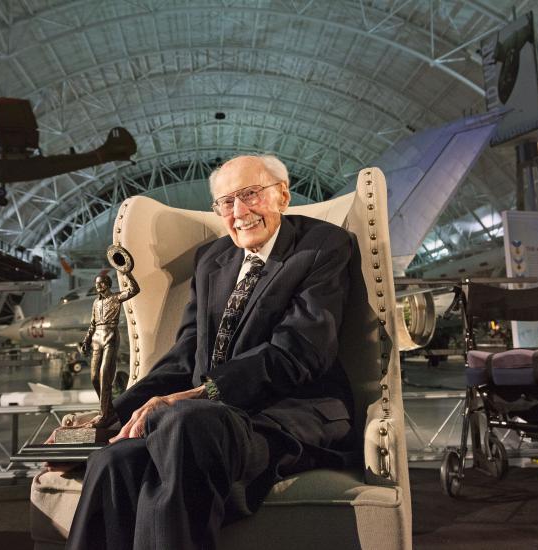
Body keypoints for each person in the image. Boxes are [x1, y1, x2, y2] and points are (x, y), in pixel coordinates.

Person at [67, 154, 355, 550]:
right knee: (110, 462)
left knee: (185, 422)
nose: (238, 212)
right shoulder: (212, 259)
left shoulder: (322, 246)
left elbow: (300, 352)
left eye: (250, 195)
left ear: (282, 196)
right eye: (225, 202)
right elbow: (184, 357)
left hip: (288, 414)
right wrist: (109, 415)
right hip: (207, 419)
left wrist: (203, 394)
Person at [81, 270, 139, 428]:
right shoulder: (96, 303)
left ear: (107, 284)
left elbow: (134, 290)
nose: (98, 286)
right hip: (96, 338)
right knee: (94, 378)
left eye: (101, 283)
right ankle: (109, 409)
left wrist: (127, 273)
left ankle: (104, 415)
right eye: (96, 283)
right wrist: (86, 340)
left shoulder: (116, 298)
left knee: (105, 374)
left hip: (110, 335)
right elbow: (92, 324)